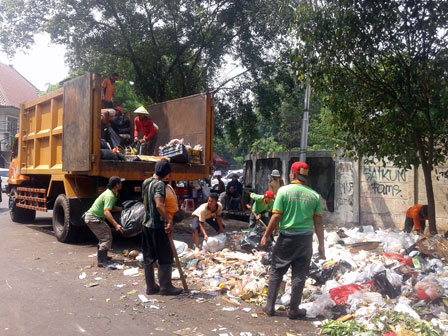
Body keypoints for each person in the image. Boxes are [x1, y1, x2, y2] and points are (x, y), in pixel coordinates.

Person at [260, 162, 325, 320]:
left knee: (276, 270)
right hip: (305, 241)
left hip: (287, 239)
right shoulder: (314, 195)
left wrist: (266, 235)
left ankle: (269, 307)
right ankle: (294, 310)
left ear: (292, 175)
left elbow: (276, 216)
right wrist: (322, 246)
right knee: (299, 275)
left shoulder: (283, 191)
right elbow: (318, 224)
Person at [141, 160, 182, 296]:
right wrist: (168, 220)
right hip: (157, 226)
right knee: (165, 256)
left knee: (148, 257)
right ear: (166, 174)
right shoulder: (159, 185)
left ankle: (151, 287)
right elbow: (159, 204)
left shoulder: (146, 182)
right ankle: (166, 287)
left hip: (146, 224)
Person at [84, 176, 124, 267]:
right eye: (120, 183)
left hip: (94, 217)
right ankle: (101, 261)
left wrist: (122, 209)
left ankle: (103, 256)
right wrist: (116, 225)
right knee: (106, 237)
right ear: (117, 185)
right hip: (93, 218)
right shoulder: (109, 195)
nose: (122, 184)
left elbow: (110, 208)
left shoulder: (112, 193)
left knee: (105, 235)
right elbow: (106, 212)